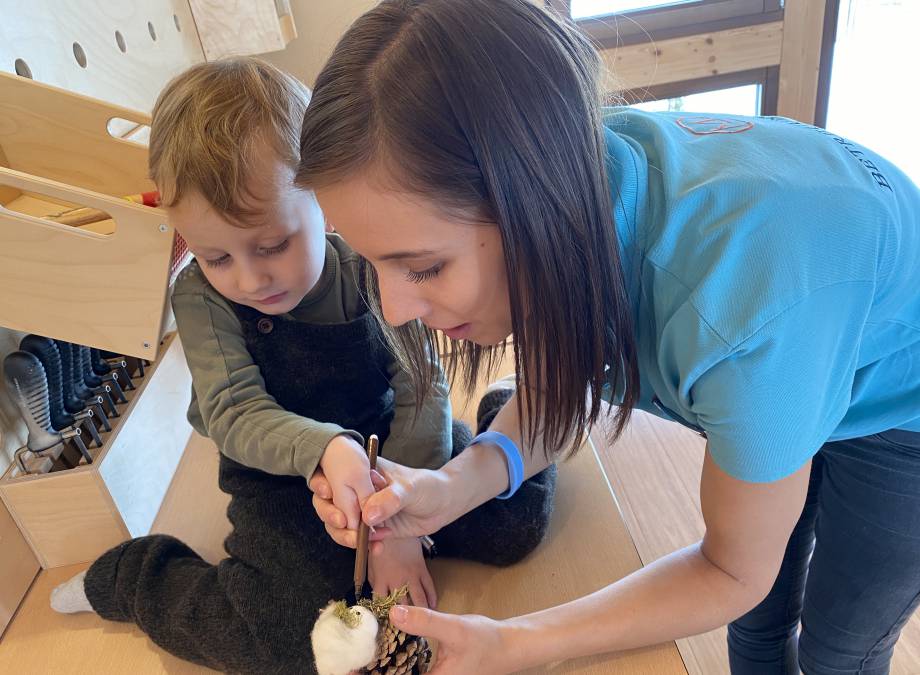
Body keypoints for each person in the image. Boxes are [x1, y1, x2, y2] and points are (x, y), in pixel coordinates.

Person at [297, 1, 920, 674]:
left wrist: (515, 641)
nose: (392, 309)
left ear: (530, 200)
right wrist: (449, 488)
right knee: (759, 623)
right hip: (807, 330)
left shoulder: (738, 324)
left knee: (840, 646)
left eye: (424, 266)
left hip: (899, 400)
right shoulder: (581, 182)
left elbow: (731, 570)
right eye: (373, 261)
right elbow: (557, 385)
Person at [49, 57, 555, 674]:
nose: (251, 277)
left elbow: (423, 392)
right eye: (216, 256)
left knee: (514, 527)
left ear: (326, 202)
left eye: (273, 245)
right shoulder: (201, 300)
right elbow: (235, 415)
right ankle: (129, 578)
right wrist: (325, 450)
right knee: (284, 637)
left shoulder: (371, 263)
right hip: (279, 475)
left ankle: (508, 415)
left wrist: (393, 523)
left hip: (393, 446)